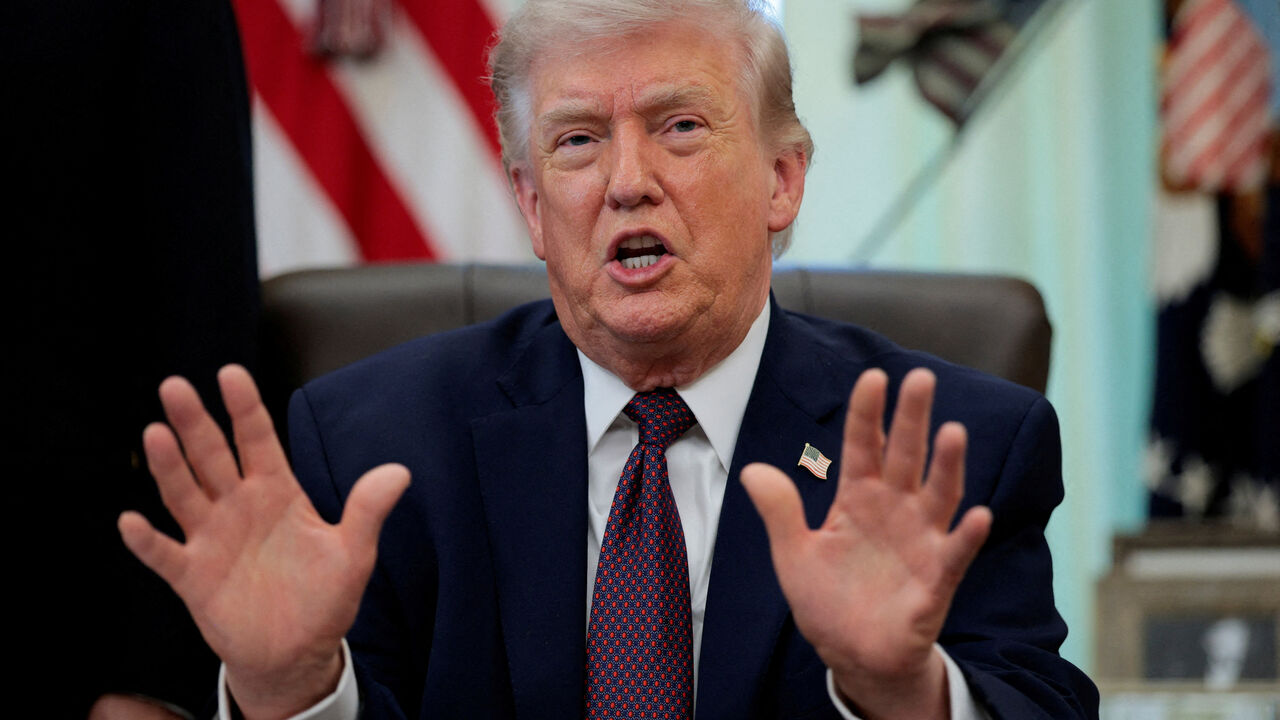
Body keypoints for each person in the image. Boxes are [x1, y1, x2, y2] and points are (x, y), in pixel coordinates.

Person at [119, 0, 1099, 718]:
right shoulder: (372, 446)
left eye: (678, 127)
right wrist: (295, 687)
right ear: (532, 208)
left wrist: (902, 690)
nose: (627, 183)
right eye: (578, 142)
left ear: (781, 178)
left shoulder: (951, 451)